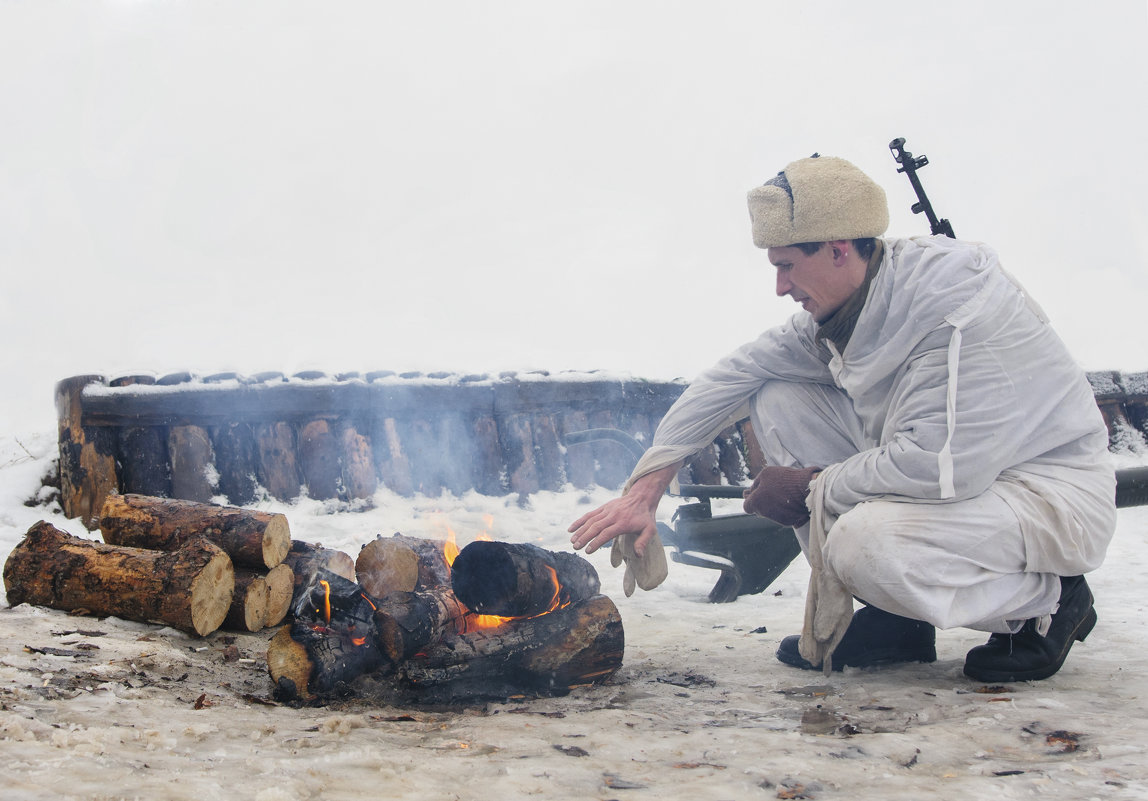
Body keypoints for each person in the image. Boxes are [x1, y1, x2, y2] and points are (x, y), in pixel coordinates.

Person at [569, 154, 1116, 682]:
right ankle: (897, 621)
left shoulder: (952, 315)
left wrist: (810, 487)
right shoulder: (853, 304)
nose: (780, 287)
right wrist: (646, 488)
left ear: (836, 250)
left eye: (786, 266)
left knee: (862, 542)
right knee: (778, 394)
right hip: (953, 478)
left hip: (1041, 498)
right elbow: (732, 375)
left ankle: (1048, 604)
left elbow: (938, 468)